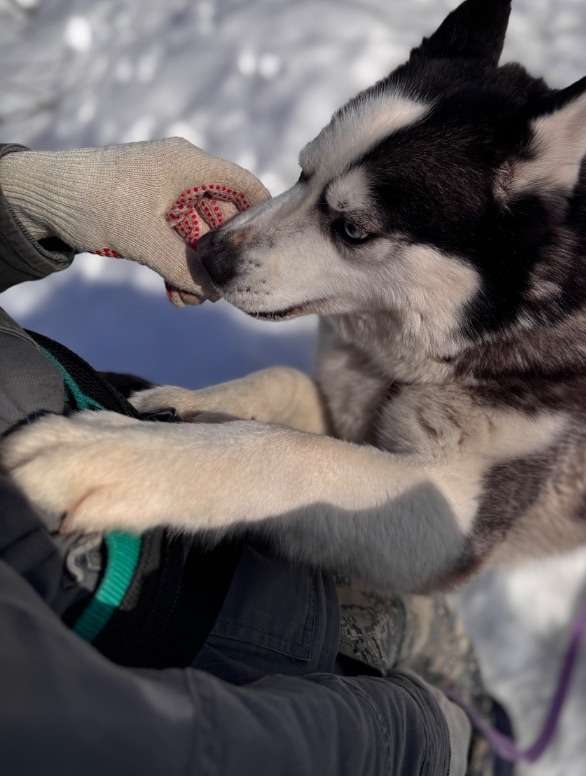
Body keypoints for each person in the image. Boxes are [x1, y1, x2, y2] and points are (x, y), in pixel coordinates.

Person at [0, 138, 512, 776]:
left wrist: (28, 197)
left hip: (156, 449)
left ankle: (462, 694)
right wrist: (414, 743)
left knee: (418, 619)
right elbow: (166, 750)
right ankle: (482, 746)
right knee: (435, 687)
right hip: (247, 653)